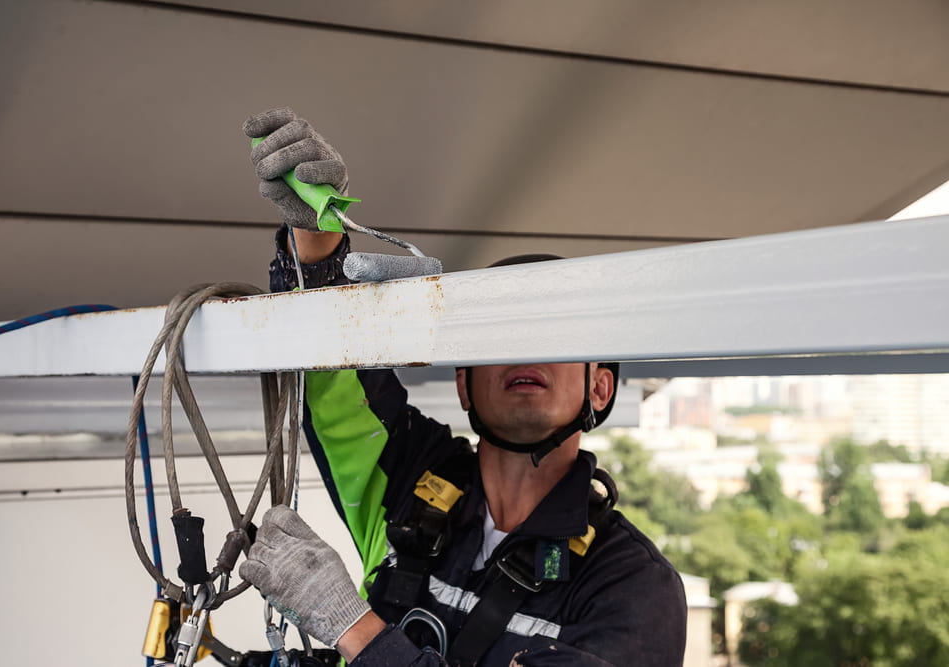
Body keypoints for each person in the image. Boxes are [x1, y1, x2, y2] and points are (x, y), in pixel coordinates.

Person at [238, 108, 687, 666]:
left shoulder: (632, 586)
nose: (524, 354)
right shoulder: (411, 479)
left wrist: (353, 627)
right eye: (499, 338)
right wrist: (317, 241)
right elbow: (338, 384)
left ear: (600, 388)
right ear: (464, 386)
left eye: (554, 338)